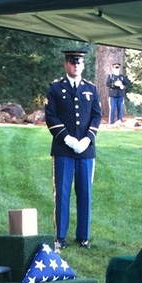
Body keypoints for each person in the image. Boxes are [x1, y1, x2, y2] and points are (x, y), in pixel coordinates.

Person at [45, 49, 102, 251]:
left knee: (85, 193)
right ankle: (60, 237)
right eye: (71, 62)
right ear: (65, 65)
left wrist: (88, 139)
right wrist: (67, 138)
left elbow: (97, 116)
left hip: (86, 150)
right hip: (63, 148)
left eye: (78, 62)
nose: (75, 65)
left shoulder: (91, 89)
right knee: (62, 192)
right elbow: (50, 116)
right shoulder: (55, 88)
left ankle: (83, 236)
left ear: (83, 65)